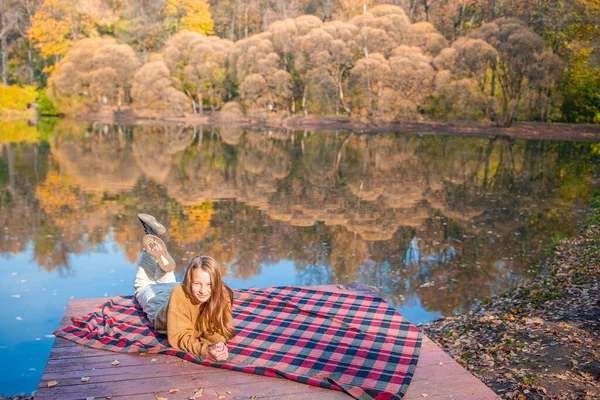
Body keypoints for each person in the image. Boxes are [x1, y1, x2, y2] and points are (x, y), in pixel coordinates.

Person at [134, 213, 235, 361]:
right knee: (142, 285)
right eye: (197, 283)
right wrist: (205, 350)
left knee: (169, 283)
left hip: (177, 292)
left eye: (209, 284)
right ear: (189, 281)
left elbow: (216, 329)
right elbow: (179, 337)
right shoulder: (182, 293)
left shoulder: (221, 293)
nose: (203, 290)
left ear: (217, 283)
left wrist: (218, 344)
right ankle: (150, 244)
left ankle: (154, 240)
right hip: (158, 302)